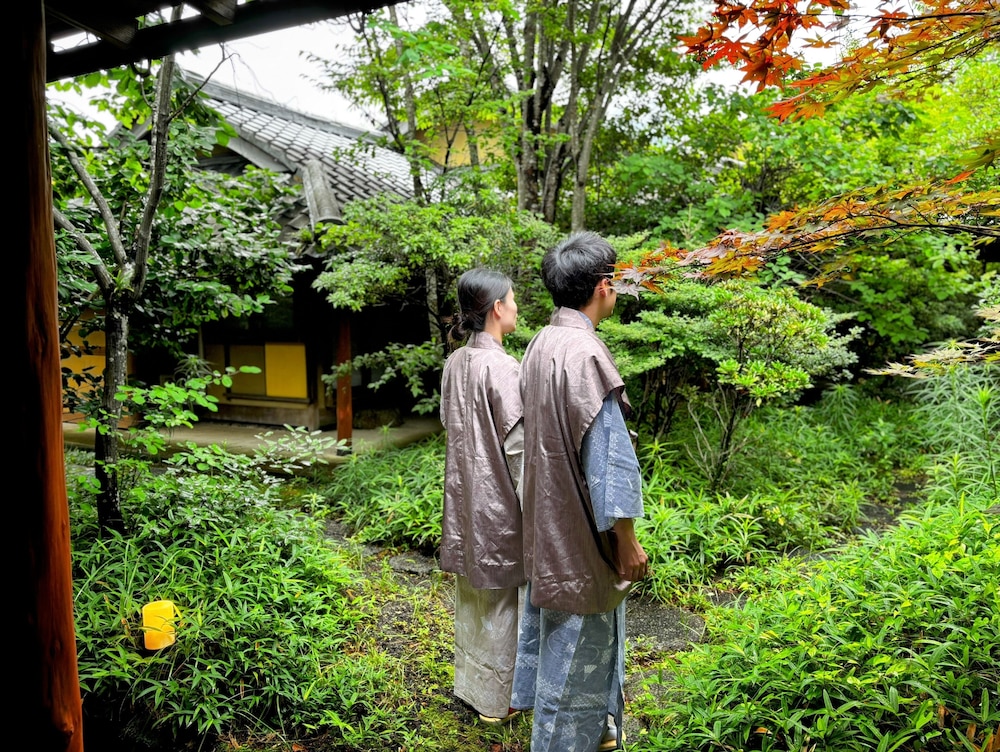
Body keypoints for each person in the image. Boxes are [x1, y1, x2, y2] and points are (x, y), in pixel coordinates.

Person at [511, 232, 648, 751]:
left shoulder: (542, 341)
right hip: (579, 534)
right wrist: (626, 539)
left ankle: (598, 733)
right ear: (603, 287)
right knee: (577, 661)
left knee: (559, 647)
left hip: (548, 522)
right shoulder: (585, 352)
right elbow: (609, 458)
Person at [439, 268, 526, 724]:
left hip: (462, 495)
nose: (516, 306)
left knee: (472, 597)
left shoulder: (455, 363)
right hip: (498, 503)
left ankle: (470, 687)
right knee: (502, 602)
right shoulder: (505, 367)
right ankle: (497, 701)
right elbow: (519, 449)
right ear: (496, 308)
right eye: (512, 300)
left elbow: (447, 423)